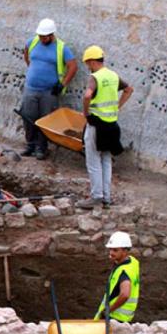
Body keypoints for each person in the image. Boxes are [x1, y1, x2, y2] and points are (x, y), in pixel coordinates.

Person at [76, 45, 133, 209]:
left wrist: (86, 113)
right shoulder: (113, 76)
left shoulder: (95, 77)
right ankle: (106, 197)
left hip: (96, 125)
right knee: (106, 160)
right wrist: (117, 107)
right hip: (111, 125)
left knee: (93, 161)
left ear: (92, 61)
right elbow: (129, 90)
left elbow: (87, 95)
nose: (88, 67)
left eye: (88, 63)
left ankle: (96, 196)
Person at [21, 18, 78, 160]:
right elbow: (27, 55)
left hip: (49, 91)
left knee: (45, 121)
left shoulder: (61, 48)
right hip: (30, 88)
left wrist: (62, 84)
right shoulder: (32, 42)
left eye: (44, 37)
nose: (41, 39)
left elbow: (73, 66)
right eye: (40, 36)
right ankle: (30, 145)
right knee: (28, 116)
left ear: (52, 35)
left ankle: (42, 148)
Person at [94, 231, 140, 323]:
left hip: (115, 318)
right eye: (110, 249)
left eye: (115, 250)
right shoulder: (132, 262)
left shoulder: (123, 272)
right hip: (124, 317)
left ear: (125, 251)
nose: (111, 252)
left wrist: (108, 310)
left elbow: (125, 294)